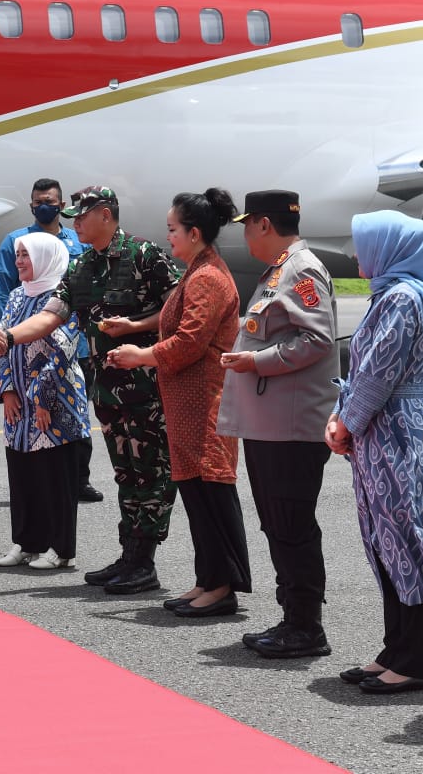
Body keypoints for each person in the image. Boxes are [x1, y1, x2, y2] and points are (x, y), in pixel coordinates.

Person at [0, 186, 180, 594]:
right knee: (126, 474)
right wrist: (7, 338)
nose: (74, 223)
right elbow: (50, 316)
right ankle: (129, 556)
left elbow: (179, 307)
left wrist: (136, 328)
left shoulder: (143, 255)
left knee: (152, 474)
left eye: (81, 216)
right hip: (110, 393)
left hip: (148, 390)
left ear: (106, 215)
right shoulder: (83, 268)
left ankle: (144, 561)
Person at [325, 210, 423, 694]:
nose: (357, 254)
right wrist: (344, 420)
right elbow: (365, 372)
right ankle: (394, 649)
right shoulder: (391, 294)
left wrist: (346, 422)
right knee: (386, 541)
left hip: (396, 433)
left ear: (390, 249)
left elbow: (379, 372)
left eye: (365, 244)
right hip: (380, 433)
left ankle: (414, 660)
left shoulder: (403, 298)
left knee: (406, 539)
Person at [108, 189, 251, 617]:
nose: (167, 237)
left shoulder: (207, 277)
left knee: (211, 495)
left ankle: (221, 586)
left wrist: (142, 355)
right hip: (187, 405)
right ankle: (207, 579)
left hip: (205, 405)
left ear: (194, 232)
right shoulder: (197, 271)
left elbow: (190, 341)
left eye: (172, 230)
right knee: (196, 494)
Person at [217, 190, 340, 658]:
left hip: (291, 427)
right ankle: (294, 617)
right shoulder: (279, 269)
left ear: (264, 224)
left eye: (249, 224)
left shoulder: (300, 269)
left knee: (291, 525)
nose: (245, 233)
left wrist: (257, 362)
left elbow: (316, 338)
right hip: (270, 424)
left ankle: (306, 626)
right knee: (278, 524)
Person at [0, 178, 102, 504]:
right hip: (23, 347)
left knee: (74, 410)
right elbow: (5, 292)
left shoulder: (76, 242)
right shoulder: (15, 241)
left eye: (51, 200)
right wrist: (9, 337)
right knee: (29, 419)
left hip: (74, 344)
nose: (45, 205)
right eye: (40, 200)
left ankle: (78, 479)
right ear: (31, 205)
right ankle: (38, 484)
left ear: (60, 206)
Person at [0, 233, 91, 569]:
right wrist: (6, 390)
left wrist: (42, 399)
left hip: (55, 403)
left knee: (56, 479)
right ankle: (27, 542)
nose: (19, 261)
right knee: (23, 475)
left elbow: (63, 351)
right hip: (17, 405)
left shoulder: (62, 297)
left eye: (26, 255)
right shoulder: (18, 296)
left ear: (45, 258)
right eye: (18, 254)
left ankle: (60, 549)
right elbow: (0, 343)